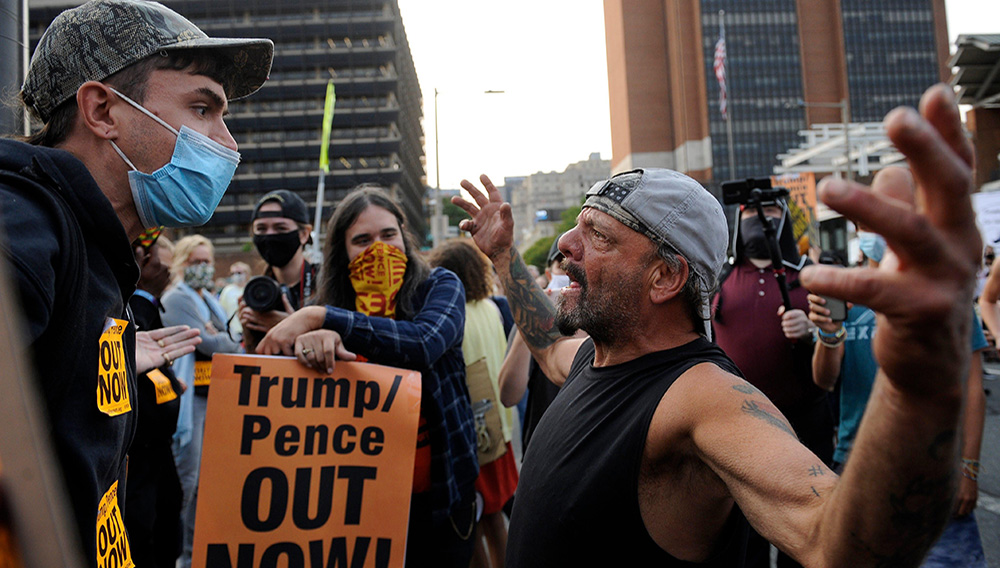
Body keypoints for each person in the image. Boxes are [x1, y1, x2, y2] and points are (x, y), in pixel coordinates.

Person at [451, 83, 981, 566]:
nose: (566, 244)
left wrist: (916, 386)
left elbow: (836, 542)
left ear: (664, 276)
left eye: (599, 235)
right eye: (575, 227)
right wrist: (502, 257)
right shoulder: (598, 354)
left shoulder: (703, 399)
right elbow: (546, 343)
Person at [0, 1, 270, 564]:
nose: (228, 143)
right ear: (102, 111)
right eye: (202, 108)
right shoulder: (25, 225)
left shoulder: (93, 245)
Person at [257, 185, 479, 568]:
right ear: (343, 253)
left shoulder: (439, 286)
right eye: (362, 240)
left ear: (405, 236)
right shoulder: (328, 310)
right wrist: (314, 343)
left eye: (388, 234)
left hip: (441, 499)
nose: (379, 248)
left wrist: (324, 319)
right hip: (358, 508)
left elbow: (424, 343)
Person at [809, 226, 990, 568]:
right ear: (859, 230)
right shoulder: (845, 294)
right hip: (858, 463)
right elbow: (824, 379)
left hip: (935, 466)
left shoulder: (944, 294)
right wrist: (829, 336)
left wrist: (968, 468)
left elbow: (972, 387)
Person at [711, 192, 832, 567]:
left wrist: (812, 329)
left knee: (806, 529)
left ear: (784, 219)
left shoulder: (808, 276)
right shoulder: (720, 276)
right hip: (738, 425)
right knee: (744, 535)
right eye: (752, 212)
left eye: (771, 211)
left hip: (804, 421)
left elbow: (834, 344)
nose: (761, 219)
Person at [429, 240, 519, 568]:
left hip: (471, 433)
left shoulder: (449, 316)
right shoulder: (494, 307)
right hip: (502, 429)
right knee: (495, 517)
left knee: (473, 521)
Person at [160, 235, 243, 568]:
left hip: (213, 395)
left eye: (206, 261)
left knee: (205, 482)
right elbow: (211, 343)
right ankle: (173, 554)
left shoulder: (206, 297)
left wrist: (219, 336)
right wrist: (220, 337)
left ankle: (193, 555)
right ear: (182, 263)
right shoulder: (177, 298)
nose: (203, 268)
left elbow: (229, 339)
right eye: (195, 262)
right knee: (187, 480)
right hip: (190, 398)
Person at [125, 230, 185, 568]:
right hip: (137, 451)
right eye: (142, 250)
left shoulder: (149, 302)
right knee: (142, 532)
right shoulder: (130, 301)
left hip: (159, 449)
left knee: (166, 524)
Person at [240, 189, 318, 350]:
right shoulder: (258, 292)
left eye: (280, 228)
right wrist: (248, 334)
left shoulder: (327, 283)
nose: (270, 236)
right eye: (261, 229)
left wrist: (292, 326)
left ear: (304, 234)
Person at [218, 260, 250, 335]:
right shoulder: (227, 291)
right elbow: (222, 310)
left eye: (239, 273)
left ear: (246, 273)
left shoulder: (250, 289)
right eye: (233, 273)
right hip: (233, 331)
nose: (236, 275)